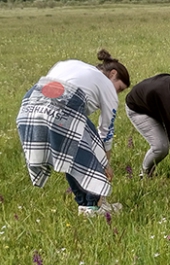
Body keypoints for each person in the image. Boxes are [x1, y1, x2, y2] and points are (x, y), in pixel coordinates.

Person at [16, 49, 131, 217]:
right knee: (89, 146)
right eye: (119, 89)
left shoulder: (70, 64)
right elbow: (106, 133)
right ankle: (95, 205)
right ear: (113, 74)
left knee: (69, 152)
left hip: (30, 104)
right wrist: (105, 165)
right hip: (64, 105)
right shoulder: (107, 87)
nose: (117, 94)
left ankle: (85, 205)